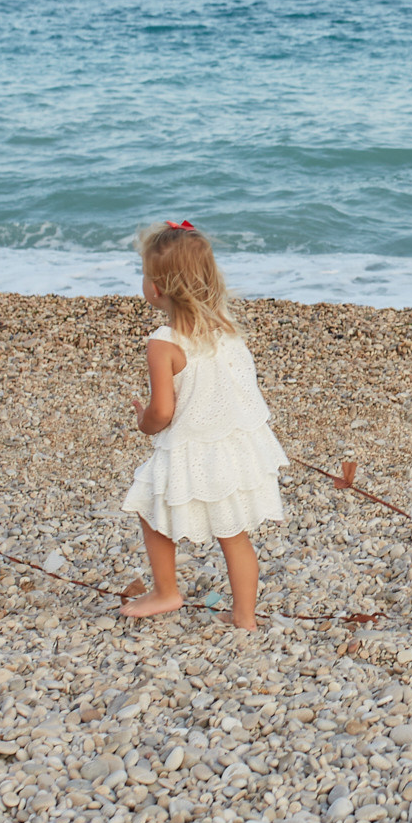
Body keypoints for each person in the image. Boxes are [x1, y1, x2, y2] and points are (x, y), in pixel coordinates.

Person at [118, 222, 289, 629]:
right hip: (233, 447)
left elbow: (162, 411)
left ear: (157, 288)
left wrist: (144, 422)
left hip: (192, 450)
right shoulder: (226, 326)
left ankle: (166, 592)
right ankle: (245, 617)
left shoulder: (164, 343)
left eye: (144, 274)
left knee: (149, 506)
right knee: (235, 536)